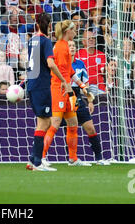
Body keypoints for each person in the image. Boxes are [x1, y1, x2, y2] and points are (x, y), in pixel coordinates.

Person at [41, 20, 92, 167]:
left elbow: (70, 71)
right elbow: (59, 71)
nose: (75, 33)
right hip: (59, 89)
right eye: (74, 30)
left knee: (73, 123)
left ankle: (73, 158)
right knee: (55, 123)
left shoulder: (65, 48)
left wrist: (82, 85)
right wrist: (65, 83)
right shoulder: (60, 48)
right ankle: (42, 157)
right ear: (67, 31)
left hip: (67, 88)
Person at [25, 12, 66, 171]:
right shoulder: (46, 41)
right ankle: (36, 162)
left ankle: (33, 159)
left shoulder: (31, 41)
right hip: (42, 85)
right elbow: (50, 63)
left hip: (32, 84)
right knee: (44, 123)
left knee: (44, 122)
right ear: (49, 26)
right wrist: (63, 80)